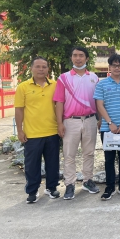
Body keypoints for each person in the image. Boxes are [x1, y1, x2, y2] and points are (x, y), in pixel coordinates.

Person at [53, 46, 99, 200]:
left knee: (89, 153)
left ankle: (87, 181)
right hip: (70, 121)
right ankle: (70, 184)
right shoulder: (64, 78)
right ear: (71, 58)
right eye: (75, 55)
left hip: (90, 120)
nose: (78, 58)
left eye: (81, 55)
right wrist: (60, 123)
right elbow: (59, 102)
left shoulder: (94, 77)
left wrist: (99, 119)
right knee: (69, 155)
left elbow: (99, 101)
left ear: (86, 58)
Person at [15, 57, 61, 204]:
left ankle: (51, 188)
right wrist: (20, 130)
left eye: (44, 67)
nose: (41, 69)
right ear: (31, 69)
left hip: (52, 131)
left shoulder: (55, 85)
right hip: (32, 134)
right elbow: (19, 110)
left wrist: (60, 125)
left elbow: (60, 106)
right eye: (38, 67)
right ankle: (32, 191)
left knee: (53, 163)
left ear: (48, 69)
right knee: (31, 165)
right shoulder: (23, 87)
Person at [94, 54, 120, 200]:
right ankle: (110, 186)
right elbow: (99, 105)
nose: (117, 68)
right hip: (107, 128)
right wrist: (110, 123)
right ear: (109, 67)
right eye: (114, 65)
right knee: (109, 159)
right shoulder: (102, 84)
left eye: (119, 65)